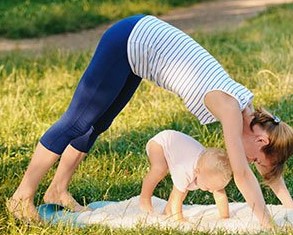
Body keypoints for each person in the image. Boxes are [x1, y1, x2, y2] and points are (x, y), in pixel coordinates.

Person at [7, 14, 293, 228]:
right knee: (76, 122)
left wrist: (289, 211)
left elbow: (270, 169)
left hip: (140, 52)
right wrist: (268, 226)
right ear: (261, 139)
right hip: (129, 40)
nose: (249, 162)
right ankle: (21, 198)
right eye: (256, 158)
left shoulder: (252, 114)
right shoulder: (231, 109)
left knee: (97, 123)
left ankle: (57, 191)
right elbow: (242, 175)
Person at [139, 130, 232, 221]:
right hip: (161, 143)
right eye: (208, 188)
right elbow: (176, 198)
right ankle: (145, 198)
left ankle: (168, 211)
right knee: (160, 169)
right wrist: (179, 220)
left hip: (178, 149)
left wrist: (225, 218)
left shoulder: (211, 174)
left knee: (184, 187)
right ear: (197, 171)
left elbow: (220, 196)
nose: (211, 190)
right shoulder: (185, 171)